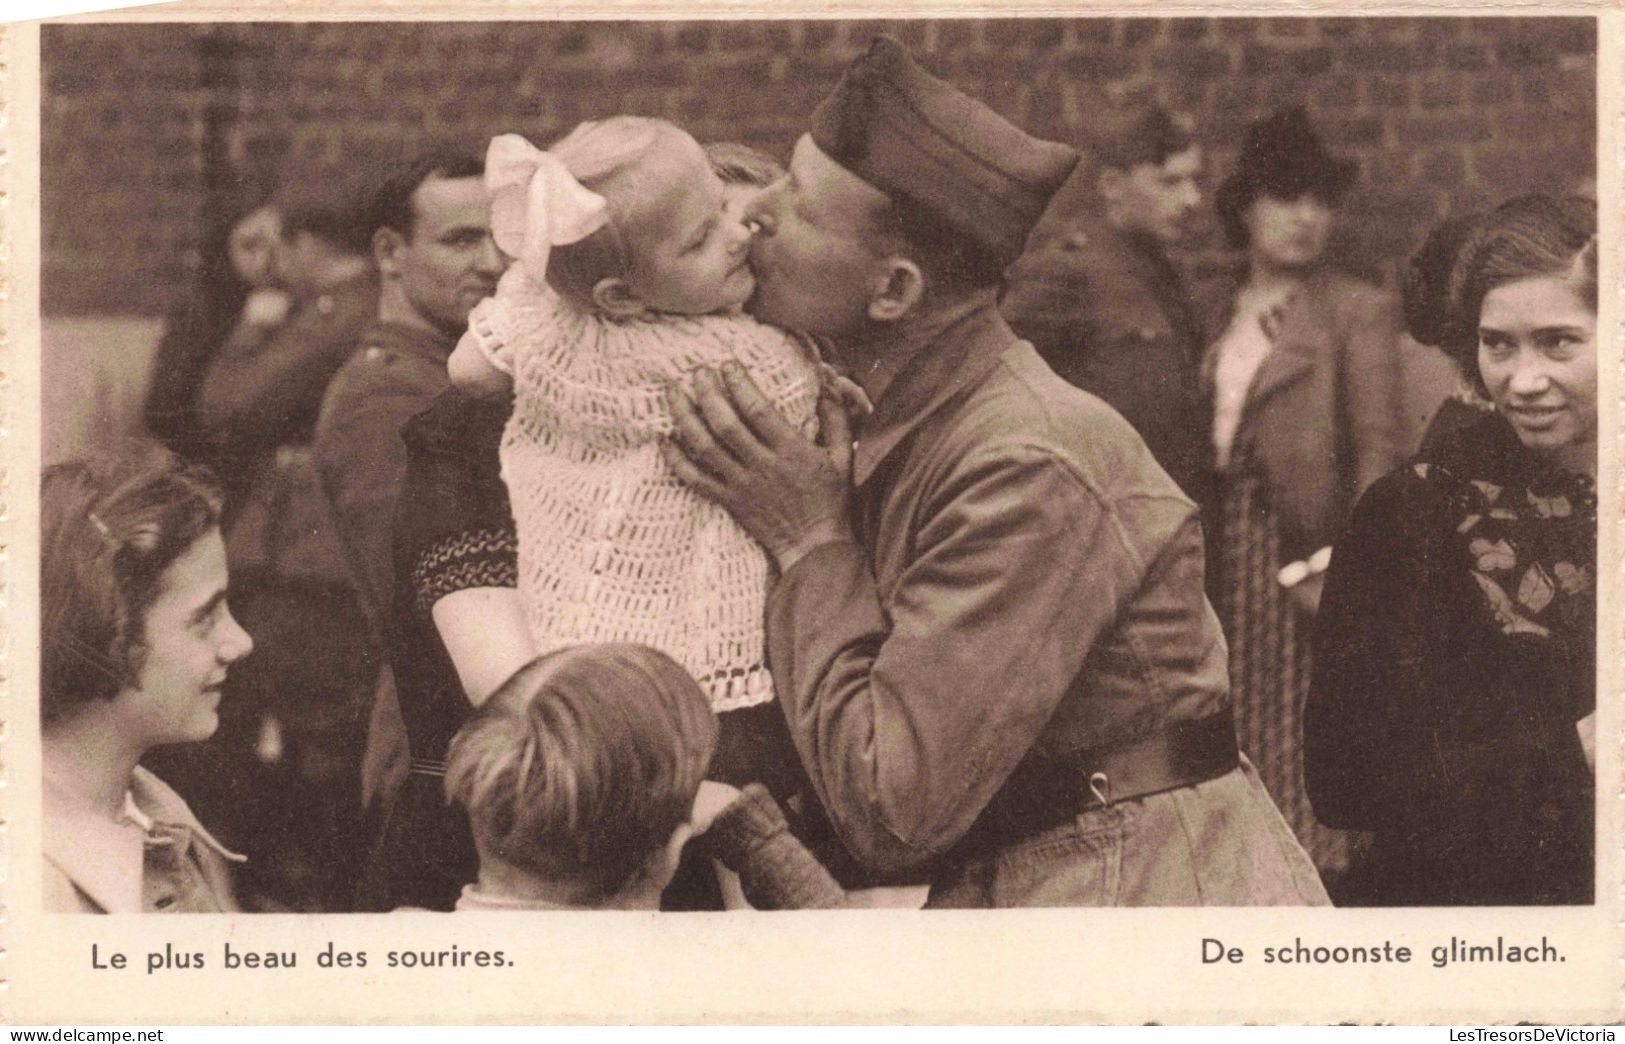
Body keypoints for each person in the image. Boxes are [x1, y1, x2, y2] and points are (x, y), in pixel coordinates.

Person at [664, 36, 1329, 907]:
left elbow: (891, 807)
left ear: (894, 291)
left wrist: (809, 539)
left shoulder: (1022, 461)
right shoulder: (906, 416)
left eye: (802, 205)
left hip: (1136, 895)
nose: (755, 214)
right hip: (1061, 876)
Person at [358, 143, 810, 912]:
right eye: (703, 239)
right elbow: (516, 693)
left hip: (690, 844)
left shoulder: (772, 424)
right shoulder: (477, 438)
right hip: (522, 844)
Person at [446, 117, 820, 712]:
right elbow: (800, 404)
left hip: (561, 614)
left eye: (723, 208)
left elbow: (468, 369)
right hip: (692, 638)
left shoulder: (549, 326)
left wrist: (541, 284)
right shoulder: (747, 357)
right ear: (619, 297)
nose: (736, 236)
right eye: (699, 241)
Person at [1305, 195, 1597, 906]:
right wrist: (1574, 750)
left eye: (1557, 342)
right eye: (1498, 345)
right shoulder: (1411, 516)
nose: (1522, 380)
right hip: (1483, 918)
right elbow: (1344, 782)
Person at [1199, 107, 1410, 887]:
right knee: (1229, 724)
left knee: (1299, 728)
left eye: (1320, 200)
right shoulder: (1217, 312)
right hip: (1224, 550)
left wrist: (1344, 571)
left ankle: (1312, 888)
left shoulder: (1352, 310)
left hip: (1301, 556)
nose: (1304, 218)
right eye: (1285, 196)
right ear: (1245, 207)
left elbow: (1379, 456)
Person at [185, 172, 382, 911]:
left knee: (313, 731)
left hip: (308, 559)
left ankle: (317, 894)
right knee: (300, 731)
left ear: (306, 245)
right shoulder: (346, 308)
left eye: (280, 246)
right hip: (300, 548)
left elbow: (224, 404)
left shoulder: (334, 315)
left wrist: (253, 324)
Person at [312, 145, 504, 815]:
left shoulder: (454, 375)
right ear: (391, 253)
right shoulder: (388, 395)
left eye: (502, 237)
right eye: (460, 240)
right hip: (444, 747)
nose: (492, 262)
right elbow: (419, 599)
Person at [444, 644, 844, 911]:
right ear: (671, 854)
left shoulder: (403, 950)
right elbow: (854, 972)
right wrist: (761, 843)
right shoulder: (684, 991)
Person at [41, 442, 255, 912]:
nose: (241, 641)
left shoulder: (155, 814)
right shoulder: (38, 892)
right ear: (104, 634)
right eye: (205, 617)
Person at [1001, 102, 1209, 499]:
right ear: (1113, 186)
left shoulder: (1164, 276)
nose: (1192, 199)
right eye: (1170, 182)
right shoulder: (1068, 274)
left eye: (1194, 181)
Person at [144, 198, 287, 471]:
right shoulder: (202, 312)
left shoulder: (303, 304)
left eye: (275, 246)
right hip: (209, 466)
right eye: (250, 246)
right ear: (225, 247)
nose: (265, 260)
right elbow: (162, 410)